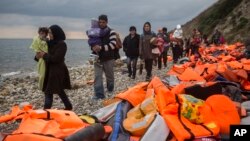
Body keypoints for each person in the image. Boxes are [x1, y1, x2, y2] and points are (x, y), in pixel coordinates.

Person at [36, 25, 72, 110]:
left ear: (56, 33)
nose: (49, 35)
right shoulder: (48, 43)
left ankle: (46, 111)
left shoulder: (62, 44)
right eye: (49, 33)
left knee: (48, 92)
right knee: (59, 90)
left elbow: (56, 59)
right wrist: (37, 57)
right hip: (48, 71)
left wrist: (44, 55)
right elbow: (42, 55)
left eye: (51, 33)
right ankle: (68, 106)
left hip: (57, 71)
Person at [90, 14, 117, 100]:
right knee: (97, 76)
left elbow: (113, 45)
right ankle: (99, 94)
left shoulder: (111, 31)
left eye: (103, 22)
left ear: (107, 22)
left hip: (108, 58)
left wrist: (101, 48)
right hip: (97, 58)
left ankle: (110, 88)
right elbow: (92, 41)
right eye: (100, 22)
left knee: (109, 76)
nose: (101, 24)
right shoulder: (95, 31)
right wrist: (93, 47)